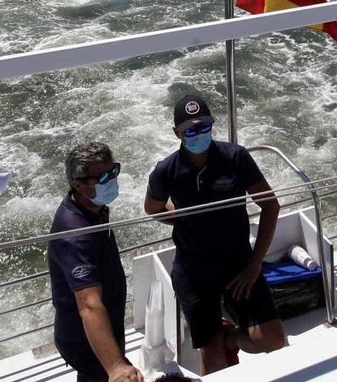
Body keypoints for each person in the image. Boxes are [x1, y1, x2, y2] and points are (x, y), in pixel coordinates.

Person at [144, 94, 288, 374]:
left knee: (272, 339)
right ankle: (216, 339)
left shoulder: (236, 158)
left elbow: (270, 205)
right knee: (213, 360)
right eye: (191, 131)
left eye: (204, 127)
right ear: (177, 133)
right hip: (193, 272)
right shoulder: (166, 171)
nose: (199, 134)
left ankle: (229, 336)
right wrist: (187, 219)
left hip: (239, 265)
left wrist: (255, 263)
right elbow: (153, 208)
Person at [48, 141, 142, 382]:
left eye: (113, 172)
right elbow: (88, 305)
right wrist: (116, 366)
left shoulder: (93, 206)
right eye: (102, 178)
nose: (111, 180)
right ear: (78, 185)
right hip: (87, 340)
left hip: (108, 322)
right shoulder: (75, 236)